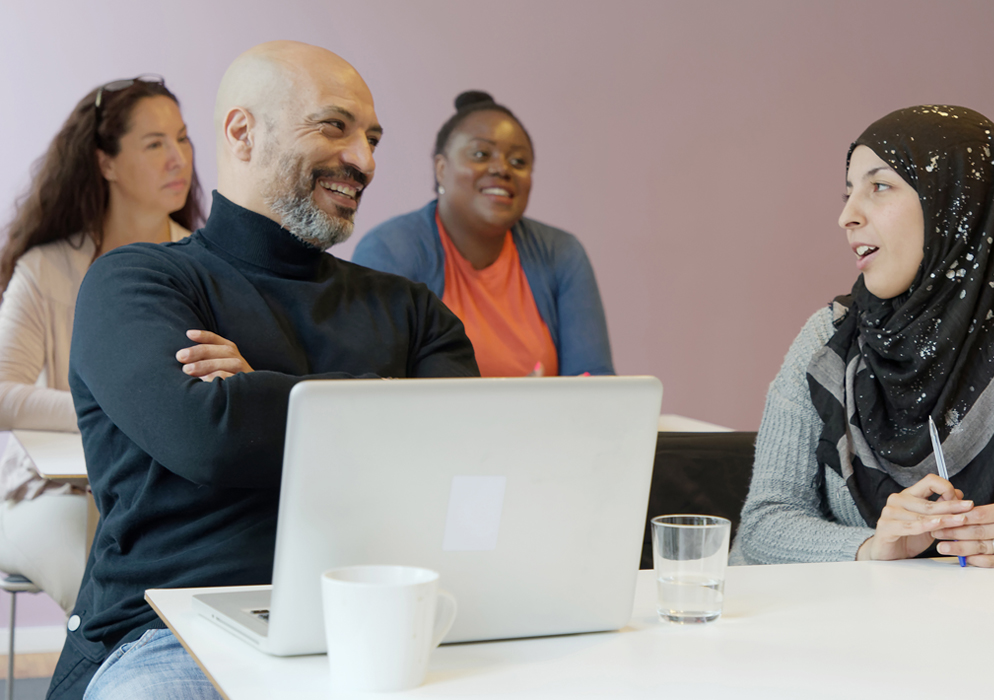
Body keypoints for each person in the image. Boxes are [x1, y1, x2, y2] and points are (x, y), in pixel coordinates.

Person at [45, 41, 478, 700]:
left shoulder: (410, 309)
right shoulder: (136, 283)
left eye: (372, 139)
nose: (363, 160)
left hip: (383, 616)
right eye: (335, 126)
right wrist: (388, 408)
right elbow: (210, 439)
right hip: (175, 631)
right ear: (243, 133)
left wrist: (264, 387)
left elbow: (460, 454)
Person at [732, 105, 994, 568]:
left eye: (879, 186)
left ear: (956, 202)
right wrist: (871, 547)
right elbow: (763, 526)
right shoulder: (831, 338)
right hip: (850, 635)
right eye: (848, 193)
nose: (847, 216)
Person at [0, 77, 201, 614]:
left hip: (169, 491)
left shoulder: (207, 263)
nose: (178, 158)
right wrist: (108, 414)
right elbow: (1, 394)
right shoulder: (45, 268)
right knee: (107, 592)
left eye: (182, 139)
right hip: (51, 493)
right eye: (154, 144)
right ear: (106, 162)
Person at [353, 91, 614, 377]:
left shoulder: (561, 253)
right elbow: (375, 386)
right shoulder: (391, 250)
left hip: (546, 423)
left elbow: (594, 382)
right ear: (441, 169)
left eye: (518, 162)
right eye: (481, 154)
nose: (502, 168)